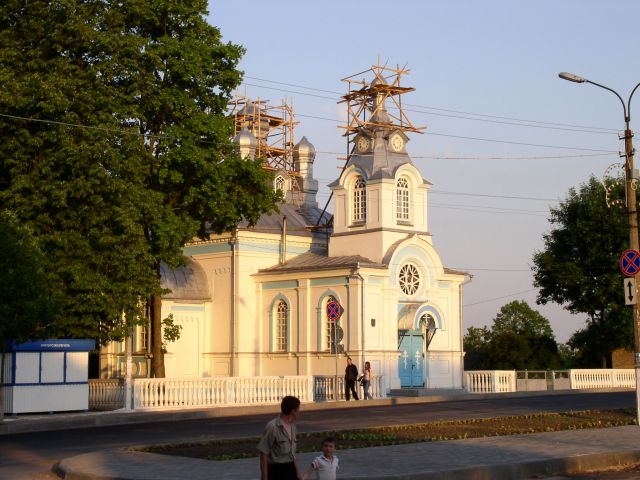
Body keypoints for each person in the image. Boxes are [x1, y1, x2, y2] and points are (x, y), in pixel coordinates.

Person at [257, 395, 302, 480]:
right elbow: (263, 453)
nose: (299, 411)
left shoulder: (293, 426)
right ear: (293, 411)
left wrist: (298, 473)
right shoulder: (273, 427)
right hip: (276, 471)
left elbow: (292, 455)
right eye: (298, 409)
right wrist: (264, 477)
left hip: (290, 469)